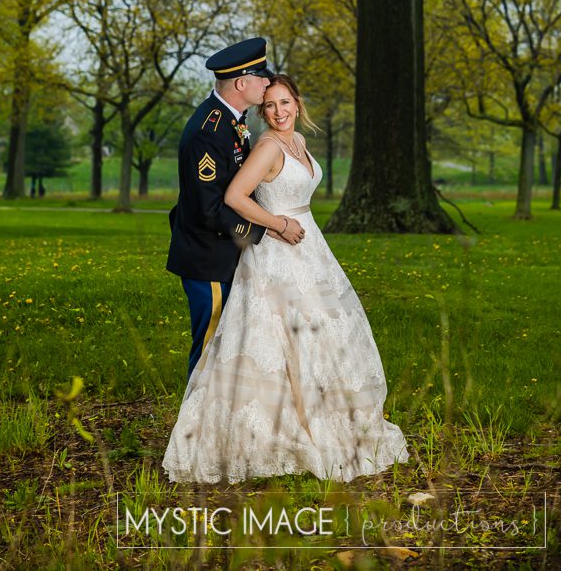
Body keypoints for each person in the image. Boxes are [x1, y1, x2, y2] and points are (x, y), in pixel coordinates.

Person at [162, 73, 409, 483]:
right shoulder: (267, 147)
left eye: (285, 103)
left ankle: (327, 413)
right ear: (263, 111)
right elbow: (234, 197)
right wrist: (276, 224)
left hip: (310, 248)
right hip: (276, 249)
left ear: (297, 103)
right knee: (278, 338)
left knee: (324, 333)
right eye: (270, 105)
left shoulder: (299, 141)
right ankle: (265, 429)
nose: (279, 112)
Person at [166, 40, 305, 379]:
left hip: (224, 252)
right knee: (210, 348)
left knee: (229, 346)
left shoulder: (230, 120)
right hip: (208, 258)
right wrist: (266, 229)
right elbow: (208, 209)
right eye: (261, 78)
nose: (266, 83)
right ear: (242, 83)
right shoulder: (208, 131)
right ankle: (194, 413)